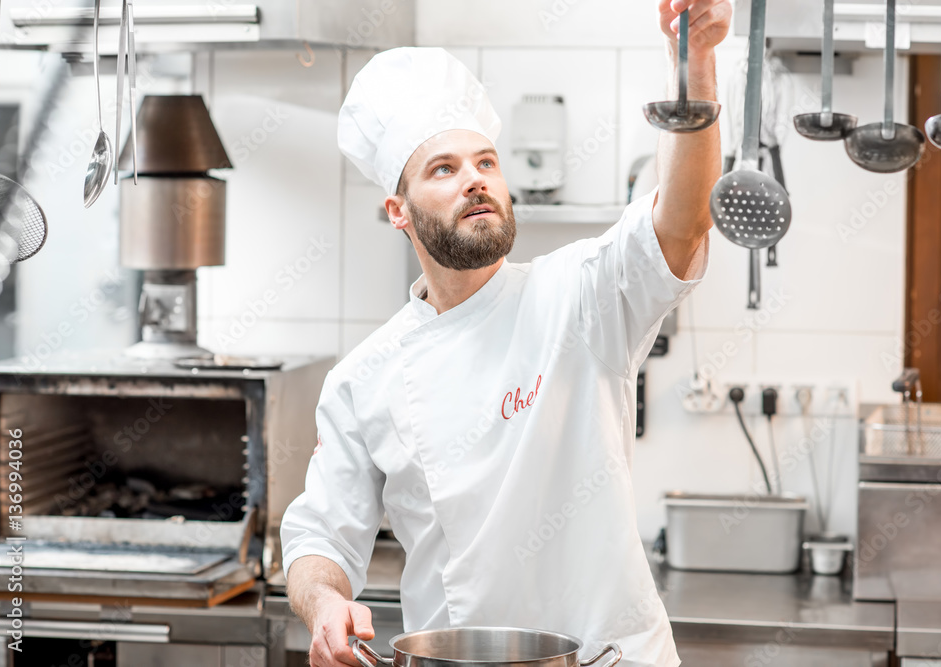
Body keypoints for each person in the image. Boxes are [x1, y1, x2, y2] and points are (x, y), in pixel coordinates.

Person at [282, 2, 731, 666]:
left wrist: (694, 62)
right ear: (397, 211)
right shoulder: (364, 377)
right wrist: (325, 606)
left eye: (485, 162)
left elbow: (684, 218)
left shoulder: (579, 294)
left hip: (611, 657)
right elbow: (320, 537)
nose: (474, 178)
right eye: (443, 169)